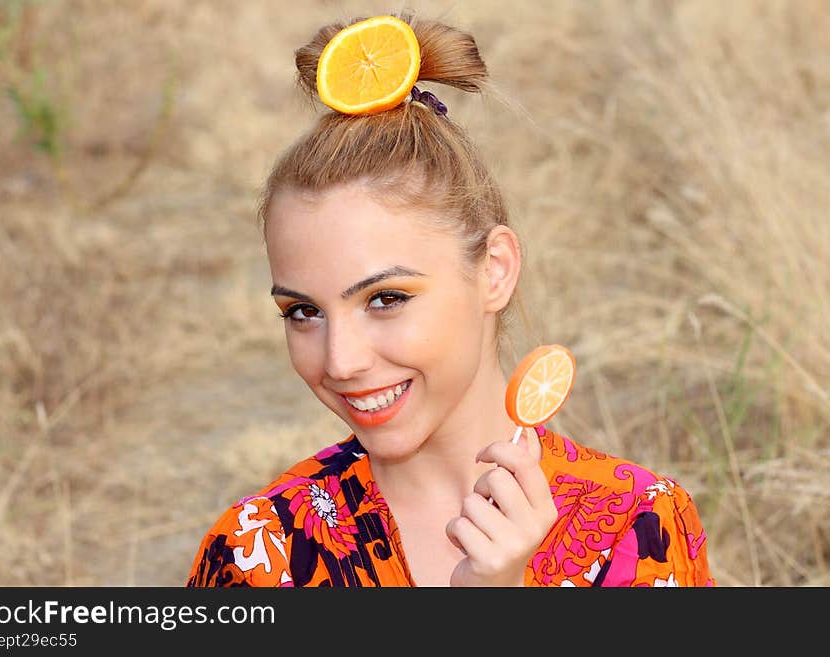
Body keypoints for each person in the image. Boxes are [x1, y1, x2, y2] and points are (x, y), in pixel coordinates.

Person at [186, 12, 715, 588]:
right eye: (303, 312)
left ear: (494, 271)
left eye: (385, 298)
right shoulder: (257, 552)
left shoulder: (636, 528)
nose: (340, 361)